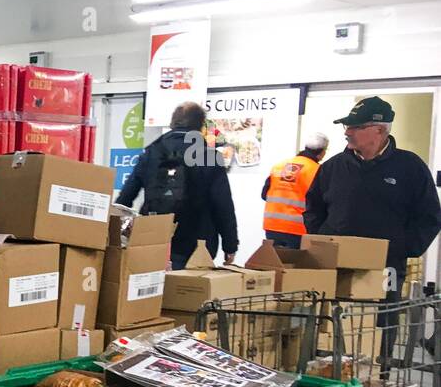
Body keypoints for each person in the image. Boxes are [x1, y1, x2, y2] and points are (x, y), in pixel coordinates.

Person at [304, 96, 441, 367]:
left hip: (385, 269)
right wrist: (323, 238)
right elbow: (313, 207)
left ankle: (379, 384)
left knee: (380, 328)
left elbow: (430, 216)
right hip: (337, 267)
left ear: (379, 130)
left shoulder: (410, 168)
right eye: (347, 126)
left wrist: (404, 247)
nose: (347, 132)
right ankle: (334, 383)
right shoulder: (333, 167)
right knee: (334, 326)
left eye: (354, 127)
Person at [116, 101, 239, 270]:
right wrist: (230, 245)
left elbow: (126, 197)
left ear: (173, 122)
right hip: (197, 243)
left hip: (155, 239)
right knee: (189, 293)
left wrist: (116, 237)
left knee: (151, 292)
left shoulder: (152, 152)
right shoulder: (209, 157)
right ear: (200, 126)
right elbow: (223, 205)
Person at [261, 132, 329, 248]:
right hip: (298, 229)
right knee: (293, 264)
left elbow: (264, 194)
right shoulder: (317, 171)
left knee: (274, 263)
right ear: (322, 153)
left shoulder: (280, 165)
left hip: (272, 226)